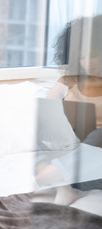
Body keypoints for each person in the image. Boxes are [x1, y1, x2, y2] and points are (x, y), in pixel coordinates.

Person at [35, 15, 102, 204]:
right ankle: (62, 185)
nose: (87, 62)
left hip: (97, 160)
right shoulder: (66, 82)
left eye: (93, 55)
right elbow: (45, 116)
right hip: (69, 153)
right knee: (34, 128)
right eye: (81, 57)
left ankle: (55, 175)